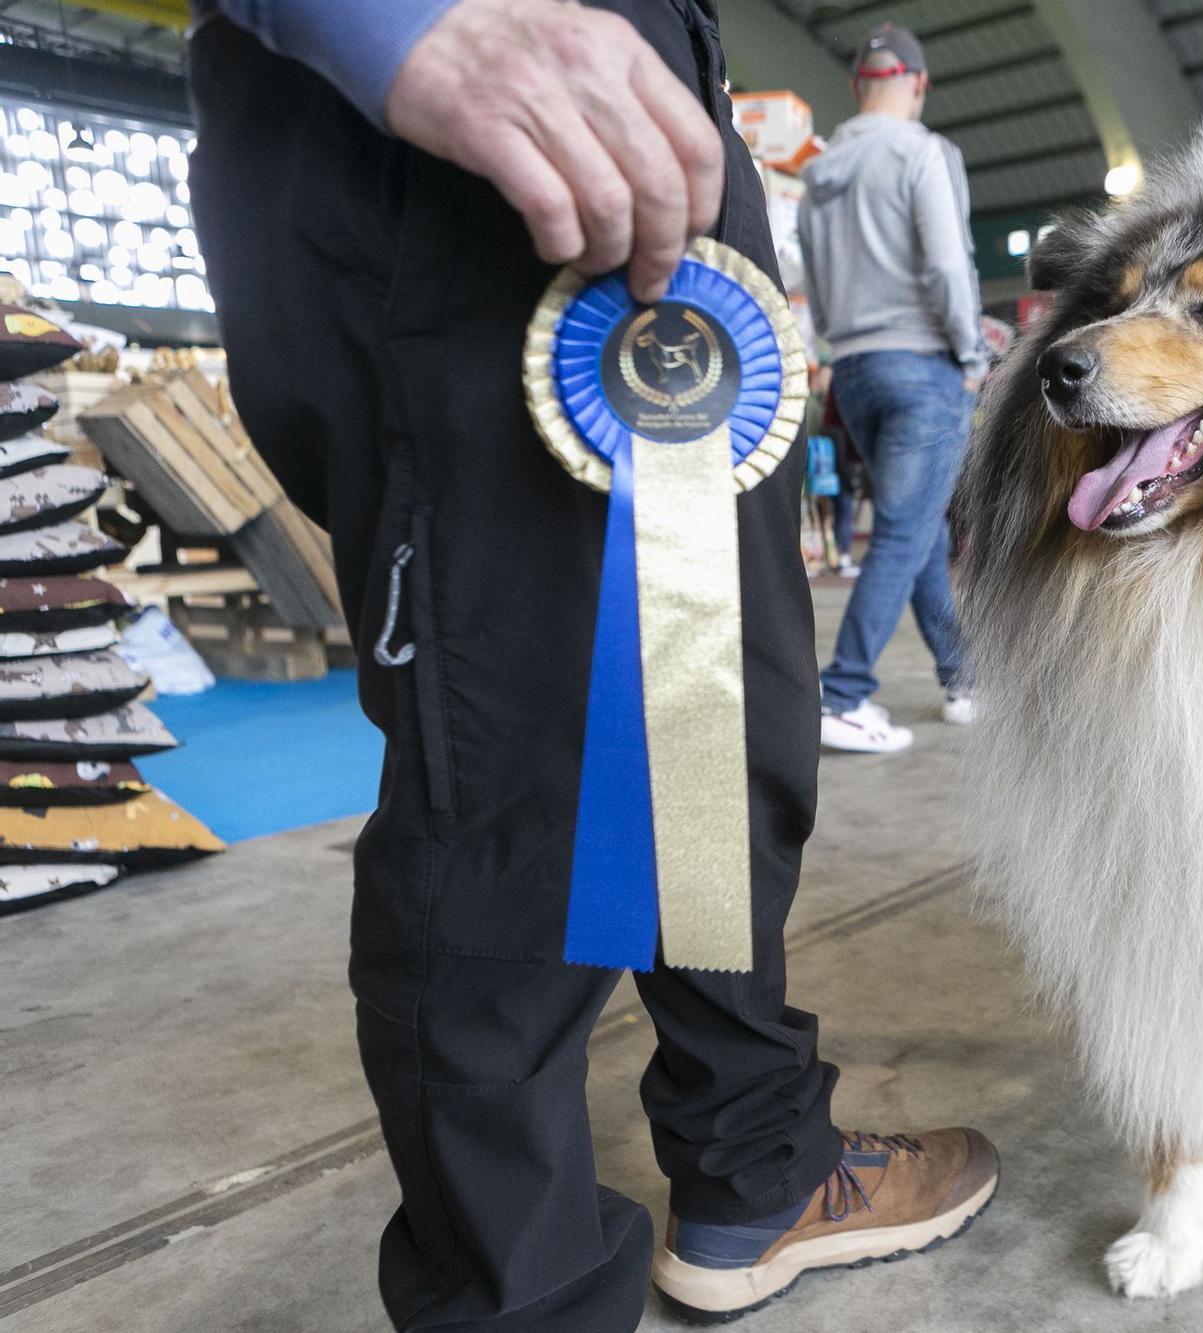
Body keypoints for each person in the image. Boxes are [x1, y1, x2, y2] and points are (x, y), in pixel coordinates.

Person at [185, 3, 997, 1329]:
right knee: (518, 769)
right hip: (458, 125)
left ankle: (755, 1160)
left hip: (631, 117)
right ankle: (522, 1300)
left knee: (709, 723)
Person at [797, 23, 987, 755]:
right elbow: (946, 263)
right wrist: (970, 350)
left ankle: (963, 679)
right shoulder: (921, 153)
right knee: (905, 532)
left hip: (855, 370)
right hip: (921, 367)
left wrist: (838, 345)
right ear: (919, 83)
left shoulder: (819, 172)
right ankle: (843, 693)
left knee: (921, 529)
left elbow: (815, 283)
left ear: (856, 85)